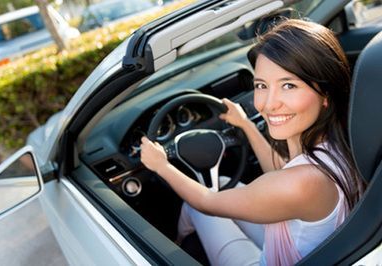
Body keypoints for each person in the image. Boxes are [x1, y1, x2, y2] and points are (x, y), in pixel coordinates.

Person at [140, 19, 365, 265]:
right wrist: (246, 124)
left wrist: (161, 165)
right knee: (223, 182)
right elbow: (282, 172)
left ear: (326, 94)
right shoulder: (341, 144)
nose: (269, 104)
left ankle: (175, 250)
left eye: (288, 85)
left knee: (197, 205)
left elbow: (207, 202)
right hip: (302, 250)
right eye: (261, 85)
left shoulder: (302, 184)